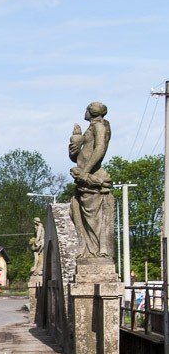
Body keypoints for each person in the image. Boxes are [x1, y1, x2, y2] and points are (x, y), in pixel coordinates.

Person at [68, 102, 113, 260]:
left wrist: (85, 172)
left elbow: (100, 149)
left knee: (92, 218)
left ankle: (95, 251)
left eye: (86, 109)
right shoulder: (93, 127)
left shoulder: (99, 127)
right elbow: (78, 157)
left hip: (91, 178)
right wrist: (75, 143)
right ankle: (88, 249)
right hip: (84, 177)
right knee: (75, 212)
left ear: (91, 112)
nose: (84, 112)